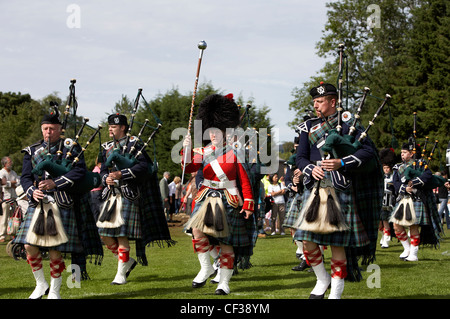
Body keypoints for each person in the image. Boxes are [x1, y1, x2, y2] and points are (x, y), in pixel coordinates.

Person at [293, 82, 382, 299]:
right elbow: (300, 157)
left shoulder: (349, 123)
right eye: (314, 101)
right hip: (315, 187)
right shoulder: (307, 126)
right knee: (306, 240)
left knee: (337, 242)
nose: (316, 105)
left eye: (320, 101)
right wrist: (309, 168)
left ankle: (336, 292)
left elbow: (368, 152)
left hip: (340, 186)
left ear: (333, 102)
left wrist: (342, 162)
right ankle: (322, 280)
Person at [12, 108, 103, 299]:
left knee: (56, 249)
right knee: (29, 245)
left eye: (52, 129)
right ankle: (40, 284)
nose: (48, 132)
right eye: (45, 128)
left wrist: (55, 183)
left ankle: (54, 291)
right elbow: (26, 177)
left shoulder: (72, 147)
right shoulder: (32, 150)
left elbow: (79, 172)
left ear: (59, 129)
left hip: (62, 202)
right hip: (38, 203)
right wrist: (31, 191)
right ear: (41, 129)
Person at [181, 93, 255, 295]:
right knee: (197, 232)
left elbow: (244, 180)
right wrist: (186, 150)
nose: (213, 134)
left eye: (216, 131)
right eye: (210, 131)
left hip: (228, 197)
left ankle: (224, 282)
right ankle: (205, 267)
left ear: (224, 132)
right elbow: (189, 168)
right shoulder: (202, 151)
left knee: (226, 242)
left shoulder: (235, 153)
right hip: (206, 195)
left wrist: (248, 202)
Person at [98, 113, 175, 285]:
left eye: (114, 126)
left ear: (123, 127)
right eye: (109, 126)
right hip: (111, 194)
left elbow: (144, 167)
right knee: (104, 234)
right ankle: (127, 261)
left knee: (121, 233)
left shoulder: (135, 143)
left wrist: (121, 173)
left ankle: (120, 274)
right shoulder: (106, 147)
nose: (110, 129)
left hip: (128, 192)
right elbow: (102, 168)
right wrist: (106, 178)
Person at [391, 142, 443, 261]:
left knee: (413, 226)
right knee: (396, 225)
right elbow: (396, 182)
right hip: (403, 198)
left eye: (404, 152)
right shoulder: (398, 167)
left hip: (416, 198)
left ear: (411, 153)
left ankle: (414, 254)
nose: (402, 154)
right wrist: (405, 188)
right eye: (402, 152)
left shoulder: (421, 164)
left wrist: (414, 183)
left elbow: (427, 175)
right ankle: (407, 249)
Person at [378, 148, 397, 248]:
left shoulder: (393, 176)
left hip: (389, 201)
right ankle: (383, 236)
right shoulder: (379, 177)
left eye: (387, 167)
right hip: (380, 200)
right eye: (384, 167)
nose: (386, 169)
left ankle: (387, 239)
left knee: (386, 221)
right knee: (379, 223)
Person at [0, 156, 19, 242]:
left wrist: (10, 183)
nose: (11, 163)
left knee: (13, 217)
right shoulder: (1, 172)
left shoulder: (14, 173)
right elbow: (3, 183)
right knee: (4, 217)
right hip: (5, 198)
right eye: (9, 162)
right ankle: (2, 236)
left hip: (14, 197)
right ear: (5, 163)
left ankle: (12, 233)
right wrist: (12, 183)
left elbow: (18, 183)